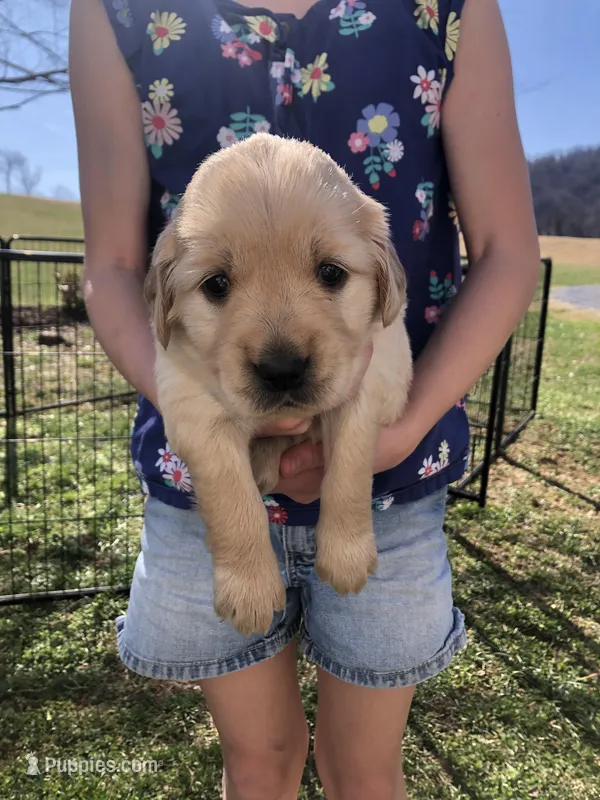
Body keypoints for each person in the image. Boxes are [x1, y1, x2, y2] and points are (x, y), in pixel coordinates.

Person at [69, 0, 540, 797]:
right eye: (218, 284)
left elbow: (505, 250)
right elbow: (116, 264)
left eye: (331, 274)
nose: (282, 349)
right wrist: (204, 409)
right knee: (257, 763)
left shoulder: (448, 8)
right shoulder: (113, 10)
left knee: (365, 770)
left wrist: (398, 430)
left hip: (391, 482)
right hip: (203, 492)